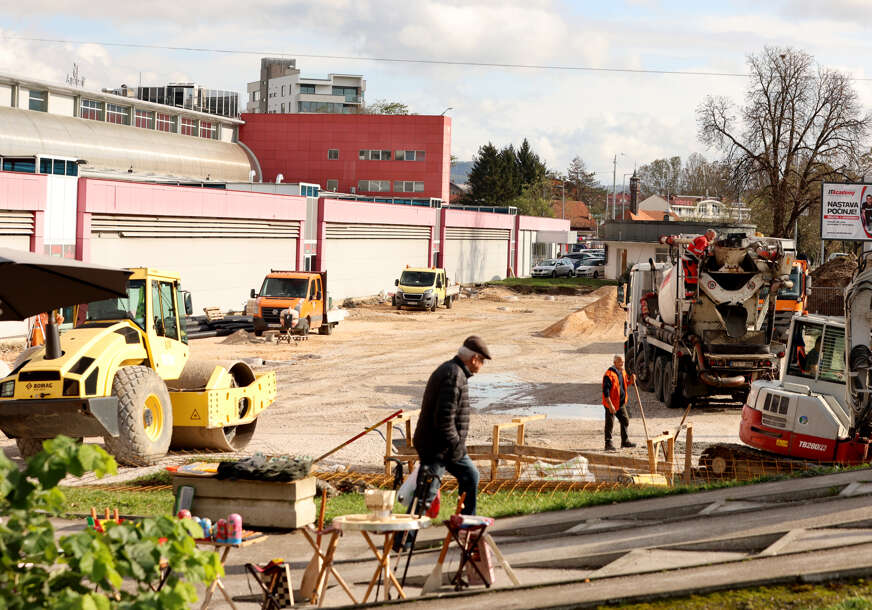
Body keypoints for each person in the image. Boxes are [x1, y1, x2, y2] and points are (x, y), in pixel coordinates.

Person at [413, 335, 490, 515]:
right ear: (474, 359)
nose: (482, 366)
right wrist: (457, 447)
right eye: (483, 361)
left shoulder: (454, 371)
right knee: (426, 498)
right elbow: (445, 420)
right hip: (437, 447)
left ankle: (464, 528)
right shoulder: (454, 375)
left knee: (470, 476)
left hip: (442, 445)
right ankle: (404, 541)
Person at [602, 355, 637, 452]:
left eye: (623, 362)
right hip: (611, 403)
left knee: (625, 420)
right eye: (620, 362)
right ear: (615, 363)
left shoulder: (623, 372)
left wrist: (631, 380)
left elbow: (625, 383)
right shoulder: (609, 375)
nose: (622, 363)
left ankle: (625, 441)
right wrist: (610, 405)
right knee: (610, 423)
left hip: (620, 403)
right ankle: (608, 443)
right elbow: (606, 392)